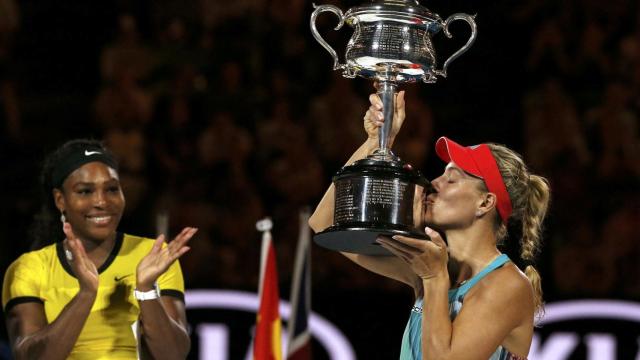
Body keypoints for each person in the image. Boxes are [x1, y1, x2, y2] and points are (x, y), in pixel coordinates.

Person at [309, 91, 550, 359]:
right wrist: (377, 143)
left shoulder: (507, 285)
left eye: (452, 179)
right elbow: (325, 222)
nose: (434, 183)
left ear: (485, 203)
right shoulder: (430, 268)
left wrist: (434, 279)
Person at [2, 139, 196, 359]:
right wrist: (85, 295)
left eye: (112, 189)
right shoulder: (29, 268)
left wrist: (146, 290)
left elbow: (174, 354)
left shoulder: (153, 255)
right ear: (60, 200)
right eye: (85, 191)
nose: (102, 202)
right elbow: (30, 357)